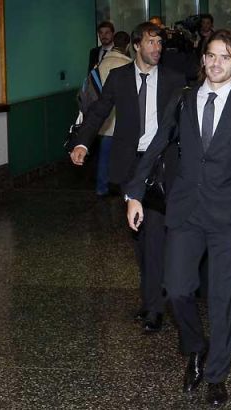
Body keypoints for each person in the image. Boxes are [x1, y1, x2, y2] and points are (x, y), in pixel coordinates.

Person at [124, 29, 231, 406]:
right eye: (211, 55)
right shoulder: (184, 99)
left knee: (222, 299)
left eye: (225, 57)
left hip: (227, 216)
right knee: (176, 289)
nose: (216, 63)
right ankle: (195, 346)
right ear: (203, 59)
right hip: (185, 210)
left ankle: (216, 375)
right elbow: (157, 144)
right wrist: (134, 193)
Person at [70, 22, 185, 332]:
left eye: (159, 43)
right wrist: (82, 142)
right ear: (136, 45)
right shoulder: (119, 78)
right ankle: (152, 294)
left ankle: (154, 308)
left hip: (160, 166)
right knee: (139, 237)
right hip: (129, 166)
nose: (157, 48)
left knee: (154, 234)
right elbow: (98, 111)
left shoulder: (174, 79)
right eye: (151, 42)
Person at [94, 31, 132, 196]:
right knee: (125, 155)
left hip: (105, 117)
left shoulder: (101, 64)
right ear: (128, 45)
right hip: (122, 117)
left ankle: (101, 187)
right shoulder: (128, 65)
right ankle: (125, 188)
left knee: (104, 154)